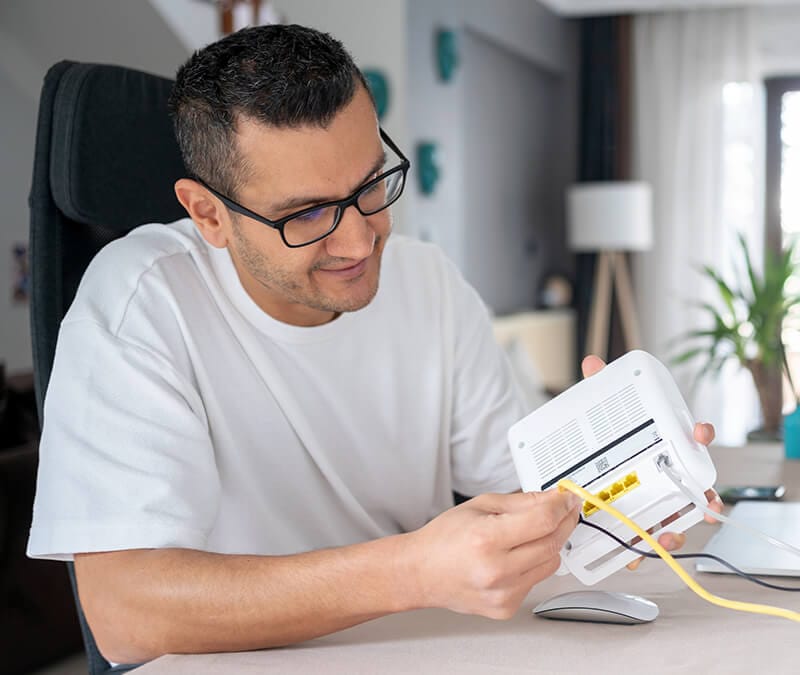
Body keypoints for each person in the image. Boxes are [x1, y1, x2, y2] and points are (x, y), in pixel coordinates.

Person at [27, 24, 720, 666]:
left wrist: (612, 483)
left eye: (369, 187)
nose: (360, 241)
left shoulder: (430, 283)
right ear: (208, 214)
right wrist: (415, 569)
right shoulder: (139, 301)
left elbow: (520, 489)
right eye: (307, 214)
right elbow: (124, 611)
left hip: (427, 650)